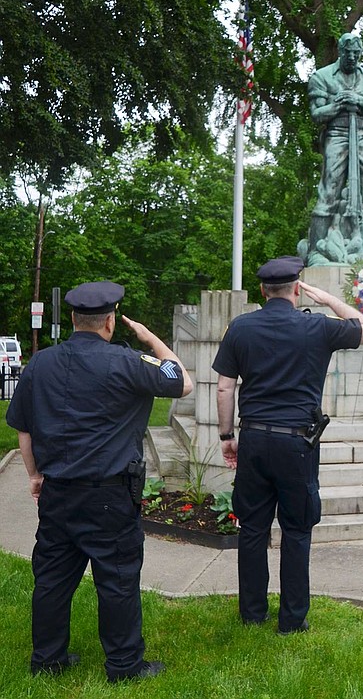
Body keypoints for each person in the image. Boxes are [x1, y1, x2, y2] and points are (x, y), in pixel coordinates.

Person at [6, 281, 192, 682]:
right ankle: (124, 667)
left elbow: (23, 429)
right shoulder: (128, 361)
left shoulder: (40, 363)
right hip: (110, 496)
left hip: (58, 492)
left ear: (73, 319)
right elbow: (182, 381)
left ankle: (47, 660)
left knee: (52, 580)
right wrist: (148, 338)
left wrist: (35, 476)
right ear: (110, 322)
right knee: (118, 579)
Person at [212, 256, 363, 634]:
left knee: (252, 528)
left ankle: (252, 614)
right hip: (296, 444)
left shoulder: (240, 327)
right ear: (297, 288)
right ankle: (292, 620)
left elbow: (224, 387)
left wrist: (226, 437)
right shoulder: (316, 326)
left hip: (253, 437)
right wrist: (329, 300)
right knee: (297, 530)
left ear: (262, 291)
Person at [306, 33, 363, 262]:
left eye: (356, 53)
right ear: (340, 51)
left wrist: (360, 102)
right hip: (337, 134)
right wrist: (337, 104)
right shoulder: (321, 77)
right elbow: (316, 114)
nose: (351, 57)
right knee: (329, 189)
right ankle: (315, 252)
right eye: (347, 52)